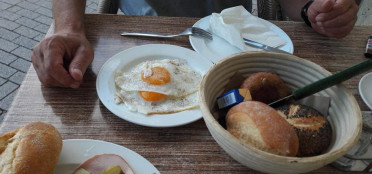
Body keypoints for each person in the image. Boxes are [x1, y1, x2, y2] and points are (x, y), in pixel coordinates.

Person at [31, 0, 359, 88]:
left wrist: (313, 10)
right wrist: (69, 29)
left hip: (232, 56)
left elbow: (293, 3)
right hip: (139, 39)